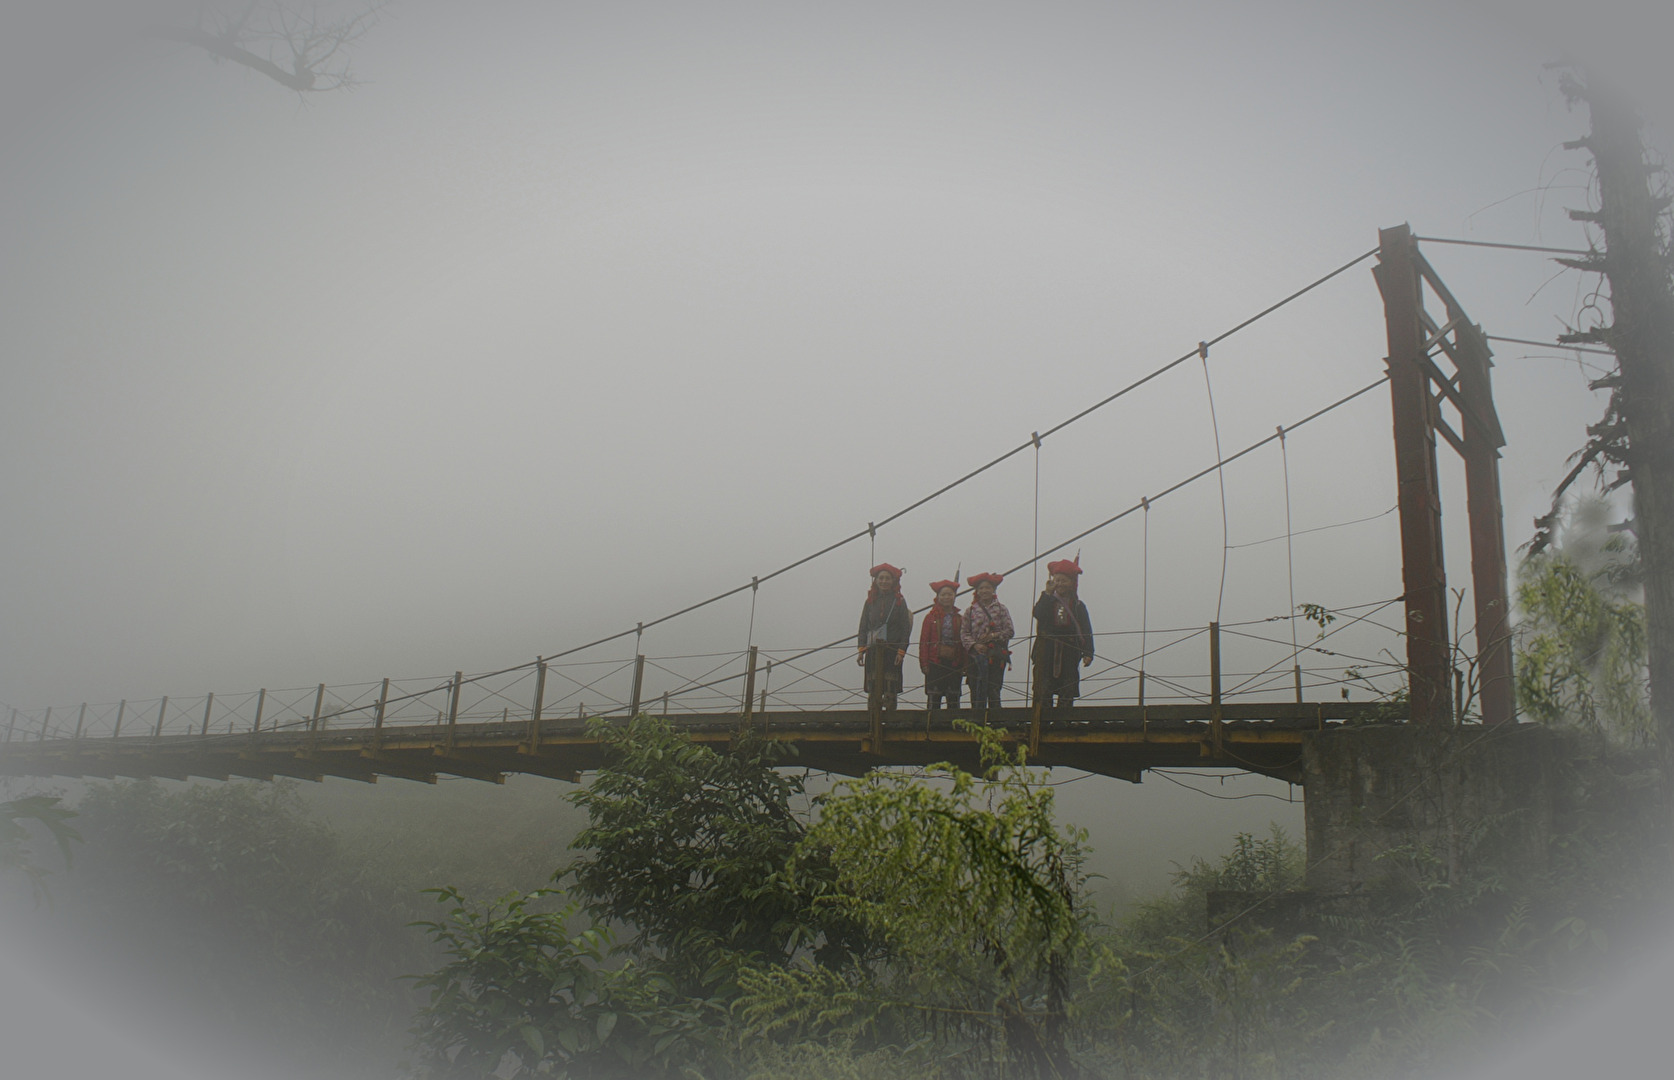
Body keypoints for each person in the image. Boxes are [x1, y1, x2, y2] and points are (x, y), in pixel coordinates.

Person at [1032, 558, 1093, 710]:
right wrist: (1047, 593)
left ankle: (1063, 720)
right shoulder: (1048, 599)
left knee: (1068, 686)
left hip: (1069, 651)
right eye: (1056, 580)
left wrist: (1088, 652)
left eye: (1064, 580)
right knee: (1043, 686)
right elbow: (1038, 613)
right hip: (1046, 650)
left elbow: (1086, 630)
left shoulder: (1078, 606)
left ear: (1072, 583)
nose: (1059, 584)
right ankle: (1042, 720)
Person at [857, 563, 911, 713]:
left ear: (893, 581)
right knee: (873, 688)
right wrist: (861, 649)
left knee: (890, 688)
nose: (884, 581)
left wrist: (901, 651)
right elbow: (863, 626)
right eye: (881, 578)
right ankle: (872, 720)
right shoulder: (870, 601)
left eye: (887, 578)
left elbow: (905, 628)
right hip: (873, 650)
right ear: (876, 580)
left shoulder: (899, 601)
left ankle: (891, 721)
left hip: (892, 651)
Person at [961, 572, 1013, 715]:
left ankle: (996, 719)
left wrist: (992, 636)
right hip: (975, 656)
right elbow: (964, 633)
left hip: (995, 655)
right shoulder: (970, 611)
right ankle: (976, 718)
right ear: (977, 591)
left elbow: (1009, 631)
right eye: (981, 588)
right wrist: (975, 645)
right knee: (975, 687)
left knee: (994, 687)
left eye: (987, 587)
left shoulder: (1001, 609)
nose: (984, 591)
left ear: (993, 590)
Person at [918, 580, 965, 714]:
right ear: (938, 597)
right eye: (943, 595)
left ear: (954, 597)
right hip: (935, 662)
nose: (946, 598)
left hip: (954, 662)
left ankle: (954, 726)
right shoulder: (930, 617)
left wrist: (964, 664)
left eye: (949, 594)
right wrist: (924, 663)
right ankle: (931, 725)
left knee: (953, 697)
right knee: (934, 696)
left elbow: (963, 643)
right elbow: (924, 641)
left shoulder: (959, 618)